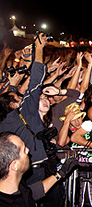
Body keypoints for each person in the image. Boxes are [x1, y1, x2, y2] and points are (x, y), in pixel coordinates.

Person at [0, 33, 50, 184]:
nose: (21, 98)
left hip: (15, 172)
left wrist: (13, 85)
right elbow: (36, 81)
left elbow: (5, 99)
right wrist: (39, 48)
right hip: (35, 170)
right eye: (17, 98)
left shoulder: (5, 119)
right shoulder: (25, 111)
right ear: (12, 104)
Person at [0, 132, 78, 207]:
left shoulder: (17, 187)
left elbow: (32, 193)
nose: (28, 150)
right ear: (15, 165)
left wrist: (60, 174)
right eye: (24, 150)